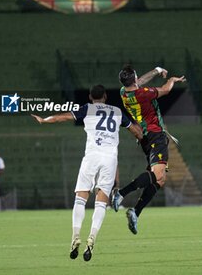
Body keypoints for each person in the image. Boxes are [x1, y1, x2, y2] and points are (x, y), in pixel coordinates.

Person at [32, 85, 142, 261]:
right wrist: (145, 132)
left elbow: (62, 117)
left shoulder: (87, 109)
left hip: (92, 156)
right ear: (106, 96)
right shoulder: (117, 111)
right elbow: (137, 133)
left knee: (80, 198)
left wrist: (45, 120)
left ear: (91, 97)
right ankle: (92, 238)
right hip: (110, 159)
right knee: (101, 202)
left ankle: (75, 236)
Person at [112, 65, 186, 234]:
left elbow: (139, 81)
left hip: (146, 137)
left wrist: (157, 70)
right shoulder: (143, 94)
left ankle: (135, 212)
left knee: (160, 180)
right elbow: (165, 90)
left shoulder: (124, 92)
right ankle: (121, 193)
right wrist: (171, 80)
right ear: (134, 79)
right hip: (156, 135)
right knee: (159, 175)